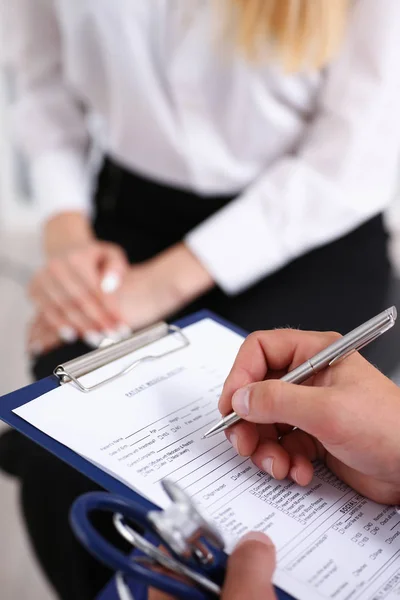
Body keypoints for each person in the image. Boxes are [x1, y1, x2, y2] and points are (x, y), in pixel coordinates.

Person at [1, 0, 400, 597]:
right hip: (131, 217)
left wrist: (160, 285)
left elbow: (355, 151)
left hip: (309, 222)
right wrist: (67, 237)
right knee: (64, 471)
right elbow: (40, 79)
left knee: (280, 495)